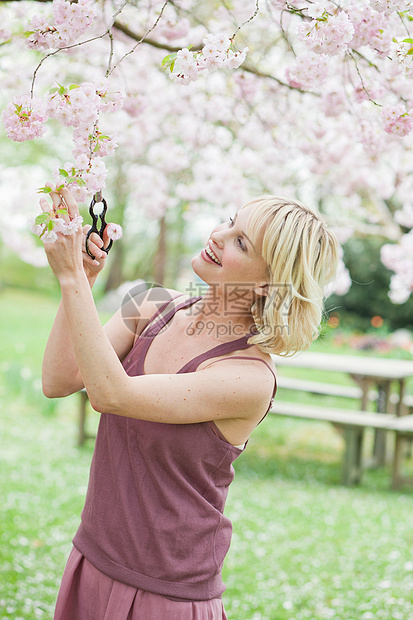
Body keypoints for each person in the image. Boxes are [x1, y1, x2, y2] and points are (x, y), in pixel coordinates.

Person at [40, 187, 339, 620]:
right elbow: (59, 379)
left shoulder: (248, 377)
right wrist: (83, 280)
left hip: (166, 591)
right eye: (229, 221)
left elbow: (111, 394)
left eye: (241, 242)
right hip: (93, 555)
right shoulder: (150, 305)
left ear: (266, 282)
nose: (219, 235)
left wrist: (69, 277)